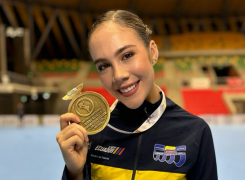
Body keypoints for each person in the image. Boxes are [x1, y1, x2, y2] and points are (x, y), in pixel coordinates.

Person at [56, 10, 218, 180]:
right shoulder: (91, 132)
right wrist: (74, 172)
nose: (118, 75)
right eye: (104, 66)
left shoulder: (195, 133)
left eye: (127, 55)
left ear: (152, 52)